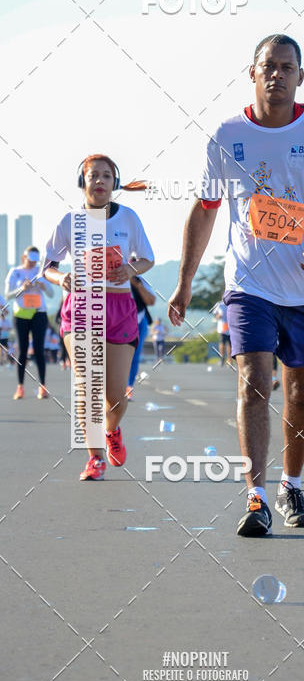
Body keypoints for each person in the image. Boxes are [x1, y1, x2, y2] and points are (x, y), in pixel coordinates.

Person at [169, 33, 304, 536]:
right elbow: (205, 208)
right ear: (251, 72)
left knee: (301, 393)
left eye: (287, 67)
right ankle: (255, 497)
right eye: (268, 66)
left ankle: (291, 484)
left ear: (301, 76)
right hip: (249, 285)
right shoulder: (228, 135)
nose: (277, 75)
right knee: (255, 382)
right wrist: (185, 281)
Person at [44, 153, 154, 481]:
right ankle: (94, 459)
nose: (100, 181)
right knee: (87, 387)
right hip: (80, 308)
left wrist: (130, 270)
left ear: (114, 183)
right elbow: (47, 266)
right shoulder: (69, 221)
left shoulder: (129, 218)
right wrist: (61, 278)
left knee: (116, 395)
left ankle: (111, 431)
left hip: (119, 309)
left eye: (107, 176)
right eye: (93, 176)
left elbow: (148, 258)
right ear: (83, 183)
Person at [5, 246, 54, 399]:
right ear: (24, 257)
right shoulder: (15, 272)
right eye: (30, 260)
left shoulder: (41, 272)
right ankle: (20, 387)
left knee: (39, 350)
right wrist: (22, 288)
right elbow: (7, 296)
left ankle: (43, 387)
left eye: (35, 261)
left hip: (39, 313)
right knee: (23, 351)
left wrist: (43, 285)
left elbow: (51, 294)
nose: (33, 264)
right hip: (21, 315)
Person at [126, 260, 156, 400]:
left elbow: (151, 300)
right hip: (119, 322)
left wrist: (136, 284)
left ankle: (128, 387)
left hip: (139, 321)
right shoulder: (112, 278)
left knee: (134, 356)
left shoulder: (140, 281)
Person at [213, 300, 232, 366]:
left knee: (230, 345)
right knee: (222, 343)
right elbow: (215, 314)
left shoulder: (231, 304)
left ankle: (229, 360)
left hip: (231, 328)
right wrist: (218, 316)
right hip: (222, 328)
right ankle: (222, 358)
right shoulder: (219, 305)